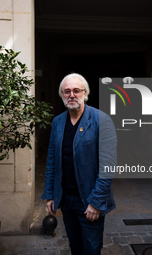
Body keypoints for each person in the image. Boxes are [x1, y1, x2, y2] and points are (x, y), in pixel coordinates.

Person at [41, 73, 117, 255]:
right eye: (66, 91)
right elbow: (52, 160)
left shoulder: (101, 120)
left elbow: (108, 167)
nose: (71, 95)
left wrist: (96, 202)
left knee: (91, 249)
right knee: (75, 246)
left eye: (76, 90)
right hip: (66, 201)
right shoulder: (58, 122)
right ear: (62, 95)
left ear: (85, 93)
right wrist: (50, 194)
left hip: (89, 201)